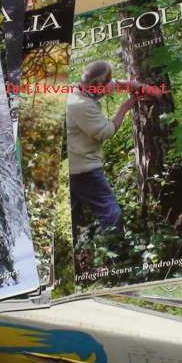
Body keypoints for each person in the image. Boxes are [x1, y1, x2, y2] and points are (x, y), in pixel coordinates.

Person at [66, 60, 156, 234]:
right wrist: (124, 108)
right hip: (83, 169)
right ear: (96, 85)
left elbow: (114, 85)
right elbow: (106, 132)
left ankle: (78, 244)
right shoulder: (80, 105)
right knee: (110, 212)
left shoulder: (79, 90)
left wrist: (145, 88)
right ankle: (115, 244)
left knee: (74, 216)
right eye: (106, 83)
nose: (110, 86)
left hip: (74, 166)